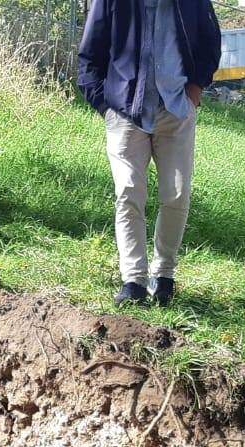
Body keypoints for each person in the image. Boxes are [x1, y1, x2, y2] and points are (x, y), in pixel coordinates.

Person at [77, 0, 222, 307]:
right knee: (129, 191)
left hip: (177, 111)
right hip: (125, 112)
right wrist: (106, 107)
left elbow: (211, 42)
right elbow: (89, 56)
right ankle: (133, 280)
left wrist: (195, 90)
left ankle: (164, 275)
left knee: (177, 194)